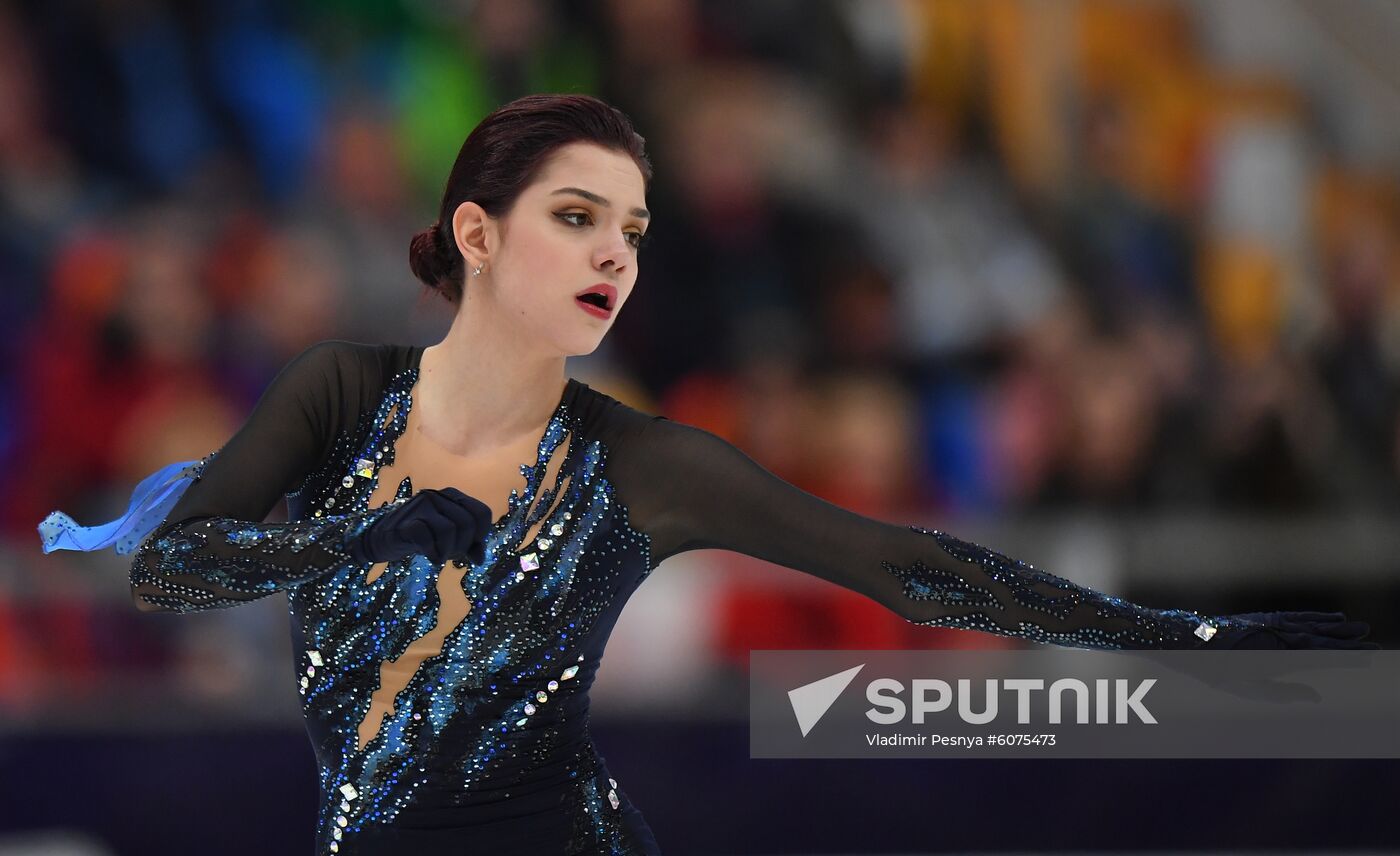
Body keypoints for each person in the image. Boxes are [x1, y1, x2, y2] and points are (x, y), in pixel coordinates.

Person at [37, 94, 1376, 856]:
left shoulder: (644, 462)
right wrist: (354, 546)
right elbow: (169, 565)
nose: (613, 256)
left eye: (631, 229)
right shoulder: (340, 395)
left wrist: (1181, 641)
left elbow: (901, 563)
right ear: (476, 233)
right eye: (577, 218)